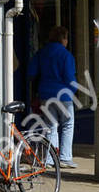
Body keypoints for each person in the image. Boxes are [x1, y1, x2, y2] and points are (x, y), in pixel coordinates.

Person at [27, 25, 77, 169]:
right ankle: (65, 158)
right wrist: (73, 90)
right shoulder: (66, 55)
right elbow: (69, 77)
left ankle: (50, 159)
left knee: (50, 127)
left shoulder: (42, 53)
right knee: (68, 124)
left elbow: (31, 72)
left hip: (45, 94)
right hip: (64, 95)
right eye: (66, 38)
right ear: (63, 39)